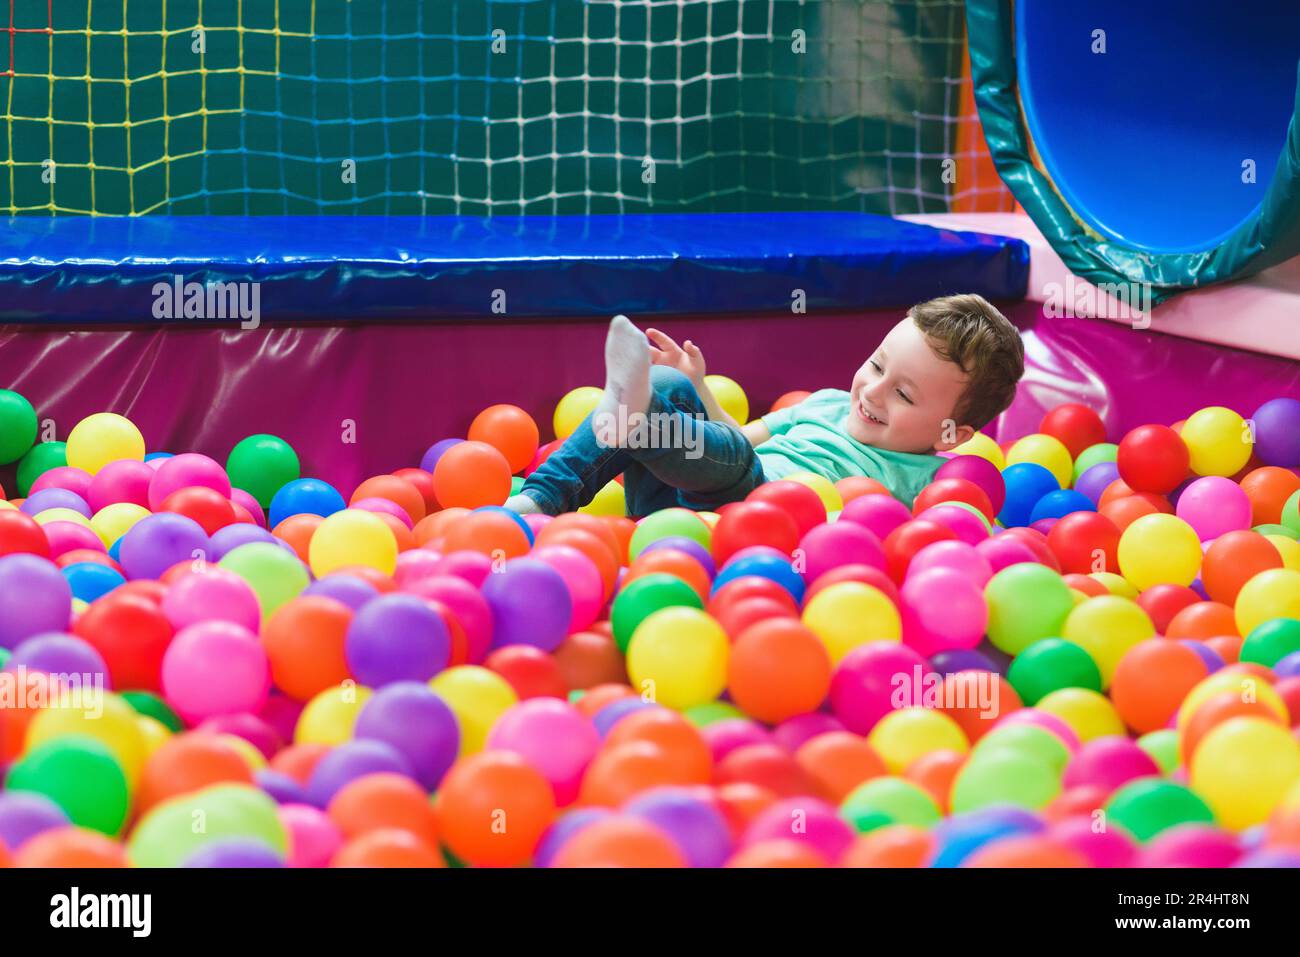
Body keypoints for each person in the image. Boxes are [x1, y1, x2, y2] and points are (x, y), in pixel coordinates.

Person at [505, 294, 1025, 517]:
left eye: (904, 394)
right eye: (876, 365)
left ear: (952, 433)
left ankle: (640, 418)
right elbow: (740, 436)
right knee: (667, 383)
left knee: (737, 466)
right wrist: (698, 386)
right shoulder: (826, 405)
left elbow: (942, 539)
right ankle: (536, 504)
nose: (871, 391)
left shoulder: (930, 482)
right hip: (680, 497)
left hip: (754, 523)